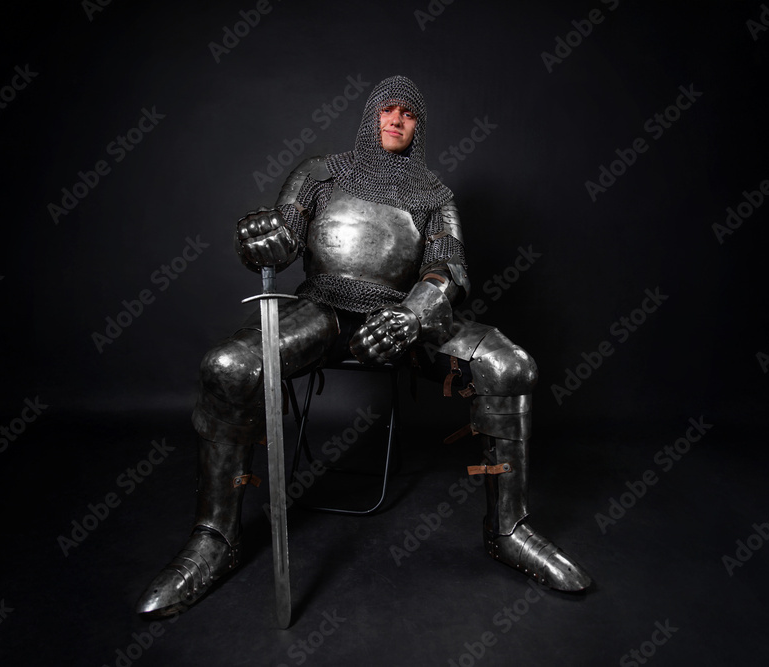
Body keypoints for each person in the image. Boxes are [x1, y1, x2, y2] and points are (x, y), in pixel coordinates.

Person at [136, 75, 591, 617]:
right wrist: (265, 239)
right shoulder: (320, 173)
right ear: (372, 116)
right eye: (388, 110)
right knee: (230, 366)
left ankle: (509, 528)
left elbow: (449, 272)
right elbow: (282, 240)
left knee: (510, 366)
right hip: (322, 310)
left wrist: (411, 316)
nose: (396, 120)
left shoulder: (434, 194)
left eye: (409, 114)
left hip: (401, 316)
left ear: (419, 126)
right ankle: (215, 535)